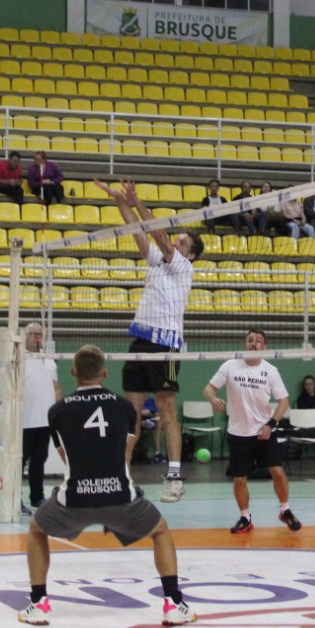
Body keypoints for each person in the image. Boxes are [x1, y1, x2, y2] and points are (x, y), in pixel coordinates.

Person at [17, 344, 196, 628]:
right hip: (119, 495)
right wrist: (112, 503)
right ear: (104, 372)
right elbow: (124, 456)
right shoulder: (124, 406)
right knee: (160, 531)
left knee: (37, 529)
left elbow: (67, 458)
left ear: (73, 371)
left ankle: (38, 603)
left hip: (75, 497)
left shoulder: (57, 412)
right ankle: (174, 603)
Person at [95, 178, 203, 504]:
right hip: (141, 340)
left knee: (167, 411)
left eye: (183, 242)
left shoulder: (182, 267)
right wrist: (121, 201)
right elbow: (138, 232)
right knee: (131, 413)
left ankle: (173, 477)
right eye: (178, 240)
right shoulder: (155, 262)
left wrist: (138, 200)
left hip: (166, 345)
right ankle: (122, 479)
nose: (177, 243)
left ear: (191, 254)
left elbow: (158, 233)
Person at [204, 329, 302, 534]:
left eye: (258, 341)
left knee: (277, 471)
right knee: (240, 478)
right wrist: (213, 399)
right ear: (244, 344)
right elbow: (209, 388)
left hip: (264, 432)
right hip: (238, 433)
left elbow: (284, 401)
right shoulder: (230, 366)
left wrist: (271, 425)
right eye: (250, 340)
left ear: (264, 347)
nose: (253, 344)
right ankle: (245, 517)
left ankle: (285, 510)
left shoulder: (271, 370)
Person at [22, 322, 62, 511]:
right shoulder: (18, 358)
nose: (37, 337)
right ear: (25, 335)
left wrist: (60, 411)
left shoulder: (49, 360)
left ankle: (37, 497)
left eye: (40, 334)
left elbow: (55, 387)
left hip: (44, 421)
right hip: (23, 421)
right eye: (33, 333)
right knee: (19, 462)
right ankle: (14, 499)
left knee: (39, 461)